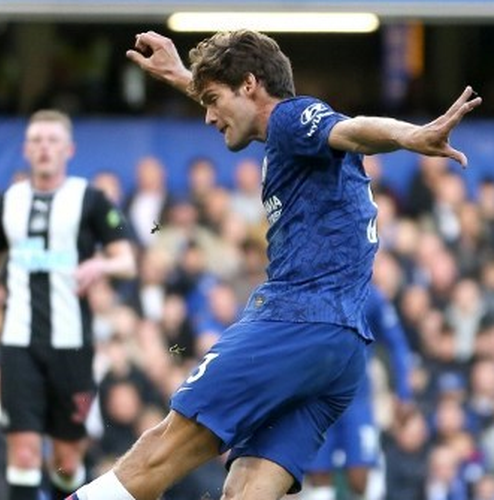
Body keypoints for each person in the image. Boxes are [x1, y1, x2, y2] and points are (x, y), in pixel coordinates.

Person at [67, 29, 481, 500]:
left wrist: (412, 135)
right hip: (340, 350)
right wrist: (183, 76)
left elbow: (351, 128)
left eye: (212, 99)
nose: (207, 117)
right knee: (243, 493)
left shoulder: (291, 118)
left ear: (249, 85)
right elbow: (269, 119)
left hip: (293, 322)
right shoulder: (286, 138)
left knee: (159, 453)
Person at [0, 109, 137, 500]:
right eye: (36, 140)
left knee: (66, 459)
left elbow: (127, 260)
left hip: (72, 345)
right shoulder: (6, 202)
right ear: (25, 149)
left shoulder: (90, 199)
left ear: (68, 149)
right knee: (22, 449)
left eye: (52, 140)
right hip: (18, 343)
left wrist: (100, 264)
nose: (44, 148)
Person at [302, 283, 415, 500]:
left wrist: (404, 392)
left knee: (359, 475)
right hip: (317, 400)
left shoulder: (369, 294)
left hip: (357, 399)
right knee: (318, 474)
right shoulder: (309, 290)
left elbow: (397, 342)